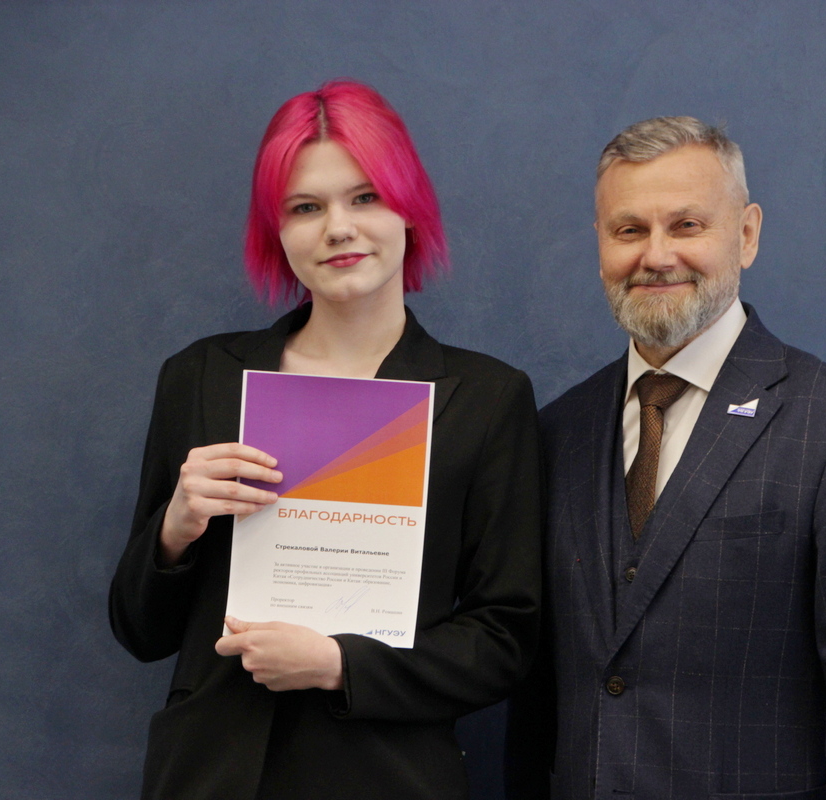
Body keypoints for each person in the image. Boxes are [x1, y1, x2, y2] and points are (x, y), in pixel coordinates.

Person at [109, 80, 541, 800]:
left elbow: (505, 640)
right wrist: (176, 528)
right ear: (275, 231)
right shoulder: (202, 378)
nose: (338, 228)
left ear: (409, 210)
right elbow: (138, 630)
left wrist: (341, 665)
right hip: (210, 776)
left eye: (365, 197)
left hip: (389, 778)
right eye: (305, 207)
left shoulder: (487, 399)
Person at [507, 117, 826, 799]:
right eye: (629, 230)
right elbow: (540, 704)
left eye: (687, 226)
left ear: (746, 235)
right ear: (600, 245)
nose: (657, 256)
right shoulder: (558, 432)